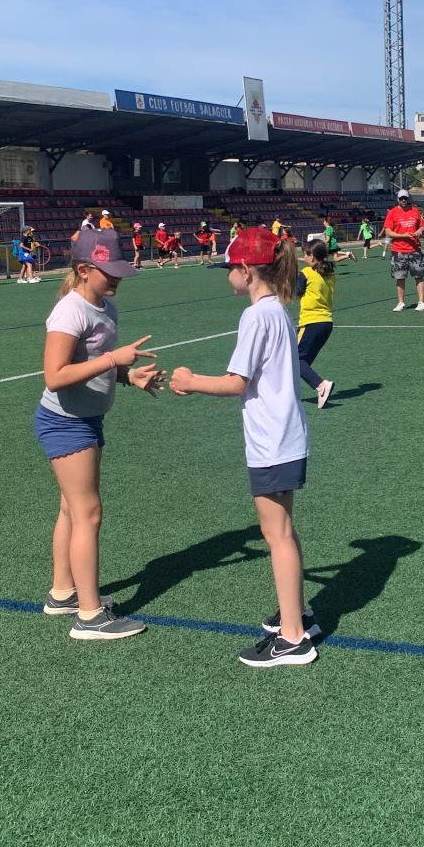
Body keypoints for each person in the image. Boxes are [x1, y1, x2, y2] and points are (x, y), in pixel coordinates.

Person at [170, 228, 318, 668]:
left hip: (272, 440)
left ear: (247, 271)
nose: (227, 275)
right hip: (286, 435)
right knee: (284, 531)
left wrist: (190, 381)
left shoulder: (256, 316)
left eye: (230, 268)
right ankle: (297, 615)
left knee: (277, 535)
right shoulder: (278, 310)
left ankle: (292, 638)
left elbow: (237, 383)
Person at [35, 226, 163, 640]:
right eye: (110, 272)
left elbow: (93, 365)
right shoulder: (70, 312)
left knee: (72, 510)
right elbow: (55, 376)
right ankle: (90, 616)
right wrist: (113, 361)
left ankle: (63, 593)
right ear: (84, 270)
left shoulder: (106, 308)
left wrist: (128, 376)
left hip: (87, 419)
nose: (117, 279)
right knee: (88, 513)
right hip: (65, 422)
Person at [293, 240, 342, 408]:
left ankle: (321, 385)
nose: (304, 258)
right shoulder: (329, 273)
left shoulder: (306, 272)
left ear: (312, 256)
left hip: (311, 321)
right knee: (302, 361)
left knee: (294, 359)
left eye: (305, 255)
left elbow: (296, 293)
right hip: (326, 323)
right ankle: (290, 392)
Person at [383, 189, 424, 311]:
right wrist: (403, 235)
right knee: (400, 277)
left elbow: (422, 226)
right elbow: (388, 232)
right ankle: (401, 303)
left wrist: (419, 231)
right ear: (398, 199)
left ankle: (421, 302)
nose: (403, 200)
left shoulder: (415, 211)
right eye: (401, 198)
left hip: (415, 249)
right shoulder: (392, 213)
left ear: (408, 199)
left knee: (419, 276)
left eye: (405, 198)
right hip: (398, 250)